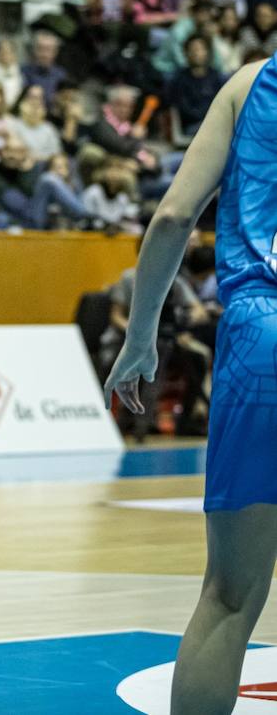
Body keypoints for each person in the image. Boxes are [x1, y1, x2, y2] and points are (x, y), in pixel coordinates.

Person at [105, 54, 277, 715]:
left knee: (230, 596)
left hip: (260, 337)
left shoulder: (249, 85)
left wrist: (143, 330)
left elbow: (175, 213)